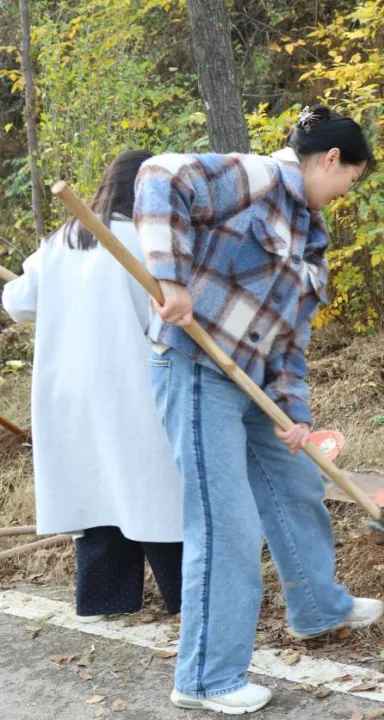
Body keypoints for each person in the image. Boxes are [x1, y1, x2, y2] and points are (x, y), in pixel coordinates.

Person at [134, 105, 381, 714]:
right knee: (226, 524)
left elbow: (291, 341)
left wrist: (293, 412)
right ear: (330, 159)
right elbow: (160, 176)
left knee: (296, 480)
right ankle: (206, 679)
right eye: (351, 176)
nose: (349, 190)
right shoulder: (260, 178)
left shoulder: (313, 236)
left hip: (253, 383)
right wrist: (170, 281)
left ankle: (318, 608)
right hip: (195, 367)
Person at [1, 150, 184, 621]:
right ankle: (182, 595)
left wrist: (24, 281)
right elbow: (166, 319)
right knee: (151, 490)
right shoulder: (144, 243)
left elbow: (18, 304)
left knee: (97, 487)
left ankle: (107, 599)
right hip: (128, 384)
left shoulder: (60, 241)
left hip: (69, 392)